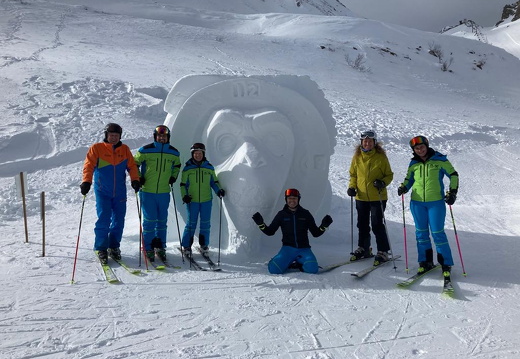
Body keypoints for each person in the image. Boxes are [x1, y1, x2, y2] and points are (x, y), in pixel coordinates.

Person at [398, 135, 459, 279]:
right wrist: (404, 187)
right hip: (417, 203)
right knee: (421, 233)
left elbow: (453, 175)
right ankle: (425, 262)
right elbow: (409, 179)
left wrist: (452, 192)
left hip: (435, 203)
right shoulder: (413, 163)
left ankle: (445, 263)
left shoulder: (440, 159)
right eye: (416, 148)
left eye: (422, 147)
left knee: (437, 232)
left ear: (427, 146)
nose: (420, 150)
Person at [80, 123, 140, 264]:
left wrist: (135, 180)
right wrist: (86, 182)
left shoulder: (124, 150)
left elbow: (131, 166)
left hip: (119, 192)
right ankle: (101, 247)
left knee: (119, 221)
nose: (113, 138)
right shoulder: (97, 148)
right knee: (104, 219)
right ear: (106, 135)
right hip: (103, 191)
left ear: (120, 136)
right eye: (111, 135)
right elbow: (88, 166)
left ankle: (114, 246)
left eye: (116, 136)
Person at [252, 188, 333, 274]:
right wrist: (261, 224)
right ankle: (281, 260)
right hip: (288, 249)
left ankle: (299, 263)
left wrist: (324, 226)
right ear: (286, 200)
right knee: (274, 269)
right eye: (289, 198)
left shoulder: (305, 214)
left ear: (298, 199)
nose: (292, 201)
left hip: (304, 249)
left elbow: (316, 233)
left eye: (294, 198)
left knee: (312, 269)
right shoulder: (281, 215)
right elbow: (270, 232)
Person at [134, 125, 181, 263]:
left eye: (164, 137)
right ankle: (148, 248)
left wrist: (173, 176)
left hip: (164, 192)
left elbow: (177, 166)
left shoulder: (174, 152)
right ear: (155, 137)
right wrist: (138, 178)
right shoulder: (145, 150)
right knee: (149, 221)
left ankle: (160, 246)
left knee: (162, 221)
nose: (162, 138)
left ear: (168, 138)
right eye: (159, 136)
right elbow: (134, 163)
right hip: (147, 191)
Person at [347, 130, 394, 265]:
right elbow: (353, 175)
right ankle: (364, 248)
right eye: (365, 141)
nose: (367, 143)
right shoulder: (357, 157)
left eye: (370, 141)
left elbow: (389, 175)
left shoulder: (381, 157)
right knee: (362, 224)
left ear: (374, 142)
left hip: (377, 196)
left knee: (376, 224)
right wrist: (352, 187)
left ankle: (383, 251)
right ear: (361, 142)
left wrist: (382, 182)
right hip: (361, 197)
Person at [180, 143, 225, 257]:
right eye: (195, 153)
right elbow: (183, 184)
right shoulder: (187, 168)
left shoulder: (209, 167)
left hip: (206, 200)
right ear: (192, 154)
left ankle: (204, 245)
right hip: (192, 201)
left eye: (200, 153)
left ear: (203, 154)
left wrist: (218, 190)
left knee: (205, 224)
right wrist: (184, 195)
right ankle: (186, 246)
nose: (198, 155)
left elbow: (214, 182)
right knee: (191, 224)